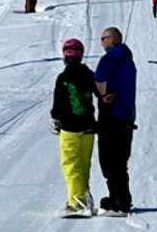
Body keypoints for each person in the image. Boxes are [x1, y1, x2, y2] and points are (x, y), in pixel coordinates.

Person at [51, 37, 99, 216]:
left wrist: (56, 119)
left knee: (71, 164)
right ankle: (84, 197)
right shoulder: (89, 74)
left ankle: (76, 202)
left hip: (70, 127)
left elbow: (58, 104)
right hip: (88, 126)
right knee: (84, 164)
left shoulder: (63, 78)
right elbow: (100, 93)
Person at [92, 27, 137, 215]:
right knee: (120, 160)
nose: (101, 41)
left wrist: (102, 95)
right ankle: (119, 198)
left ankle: (119, 202)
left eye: (103, 38)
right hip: (127, 115)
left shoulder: (109, 59)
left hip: (111, 115)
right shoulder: (128, 59)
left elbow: (99, 79)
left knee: (109, 161)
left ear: (112, 39)